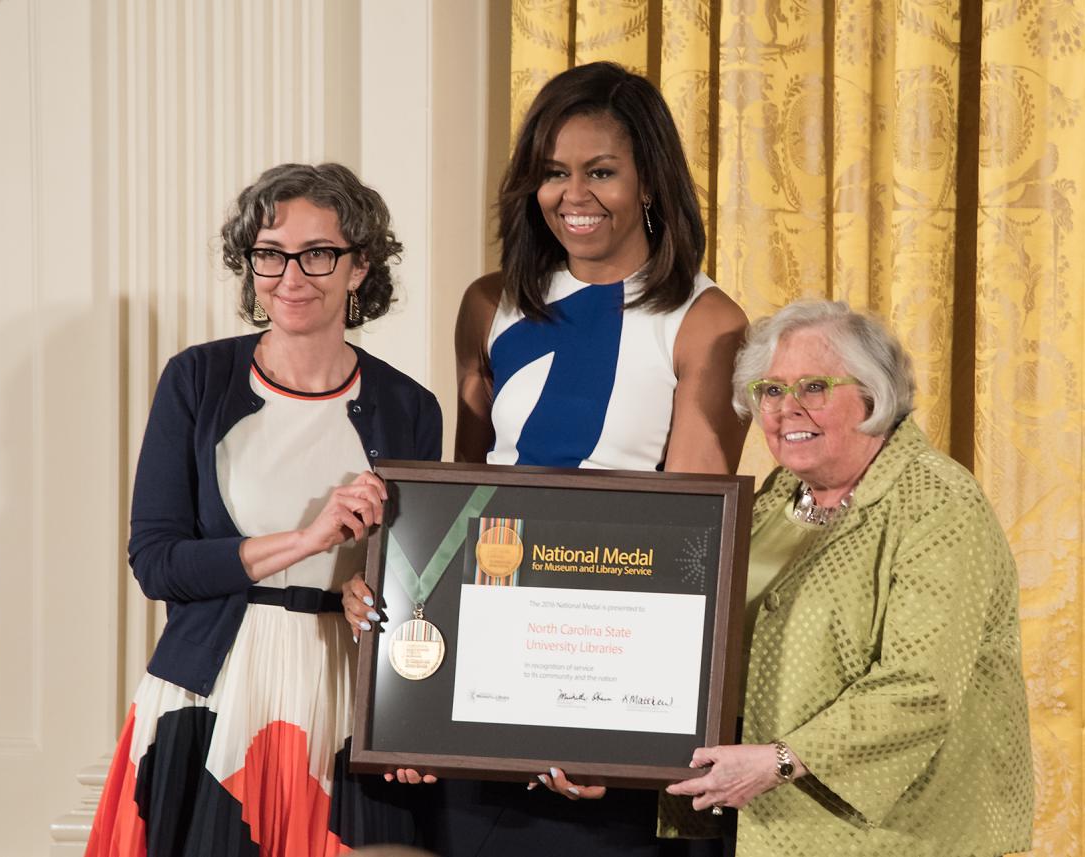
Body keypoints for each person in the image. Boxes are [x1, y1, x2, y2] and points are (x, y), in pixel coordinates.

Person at [344, 61, 748, 857]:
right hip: (489, 684)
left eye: (601, 171)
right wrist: (389, 592)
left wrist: (625, 749)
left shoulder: (706, 320)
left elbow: (694, 554)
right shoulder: (489, 303)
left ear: (651, 182)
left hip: (618, 686)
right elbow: (456, 512)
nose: (575, 195)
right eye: (554, 174)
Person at [87, 163, 442, 855]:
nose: (290, 276)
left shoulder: (411, 408)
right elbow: (157, 563)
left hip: (339, 696)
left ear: (360, 266)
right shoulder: (197, 379)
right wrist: (309, 537)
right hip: (210, 697)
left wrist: (370, 599)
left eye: (317, 254)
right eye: (270, 254)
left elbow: (416, 583)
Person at [665, 300, 1034, 856]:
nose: (786, 409)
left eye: (813, 387)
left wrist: (782, 760)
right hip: (754, 820)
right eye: (770, 390)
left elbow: (921, 686)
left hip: (900, 834)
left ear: (873, 395)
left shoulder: (938, 503)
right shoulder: (772, 502)